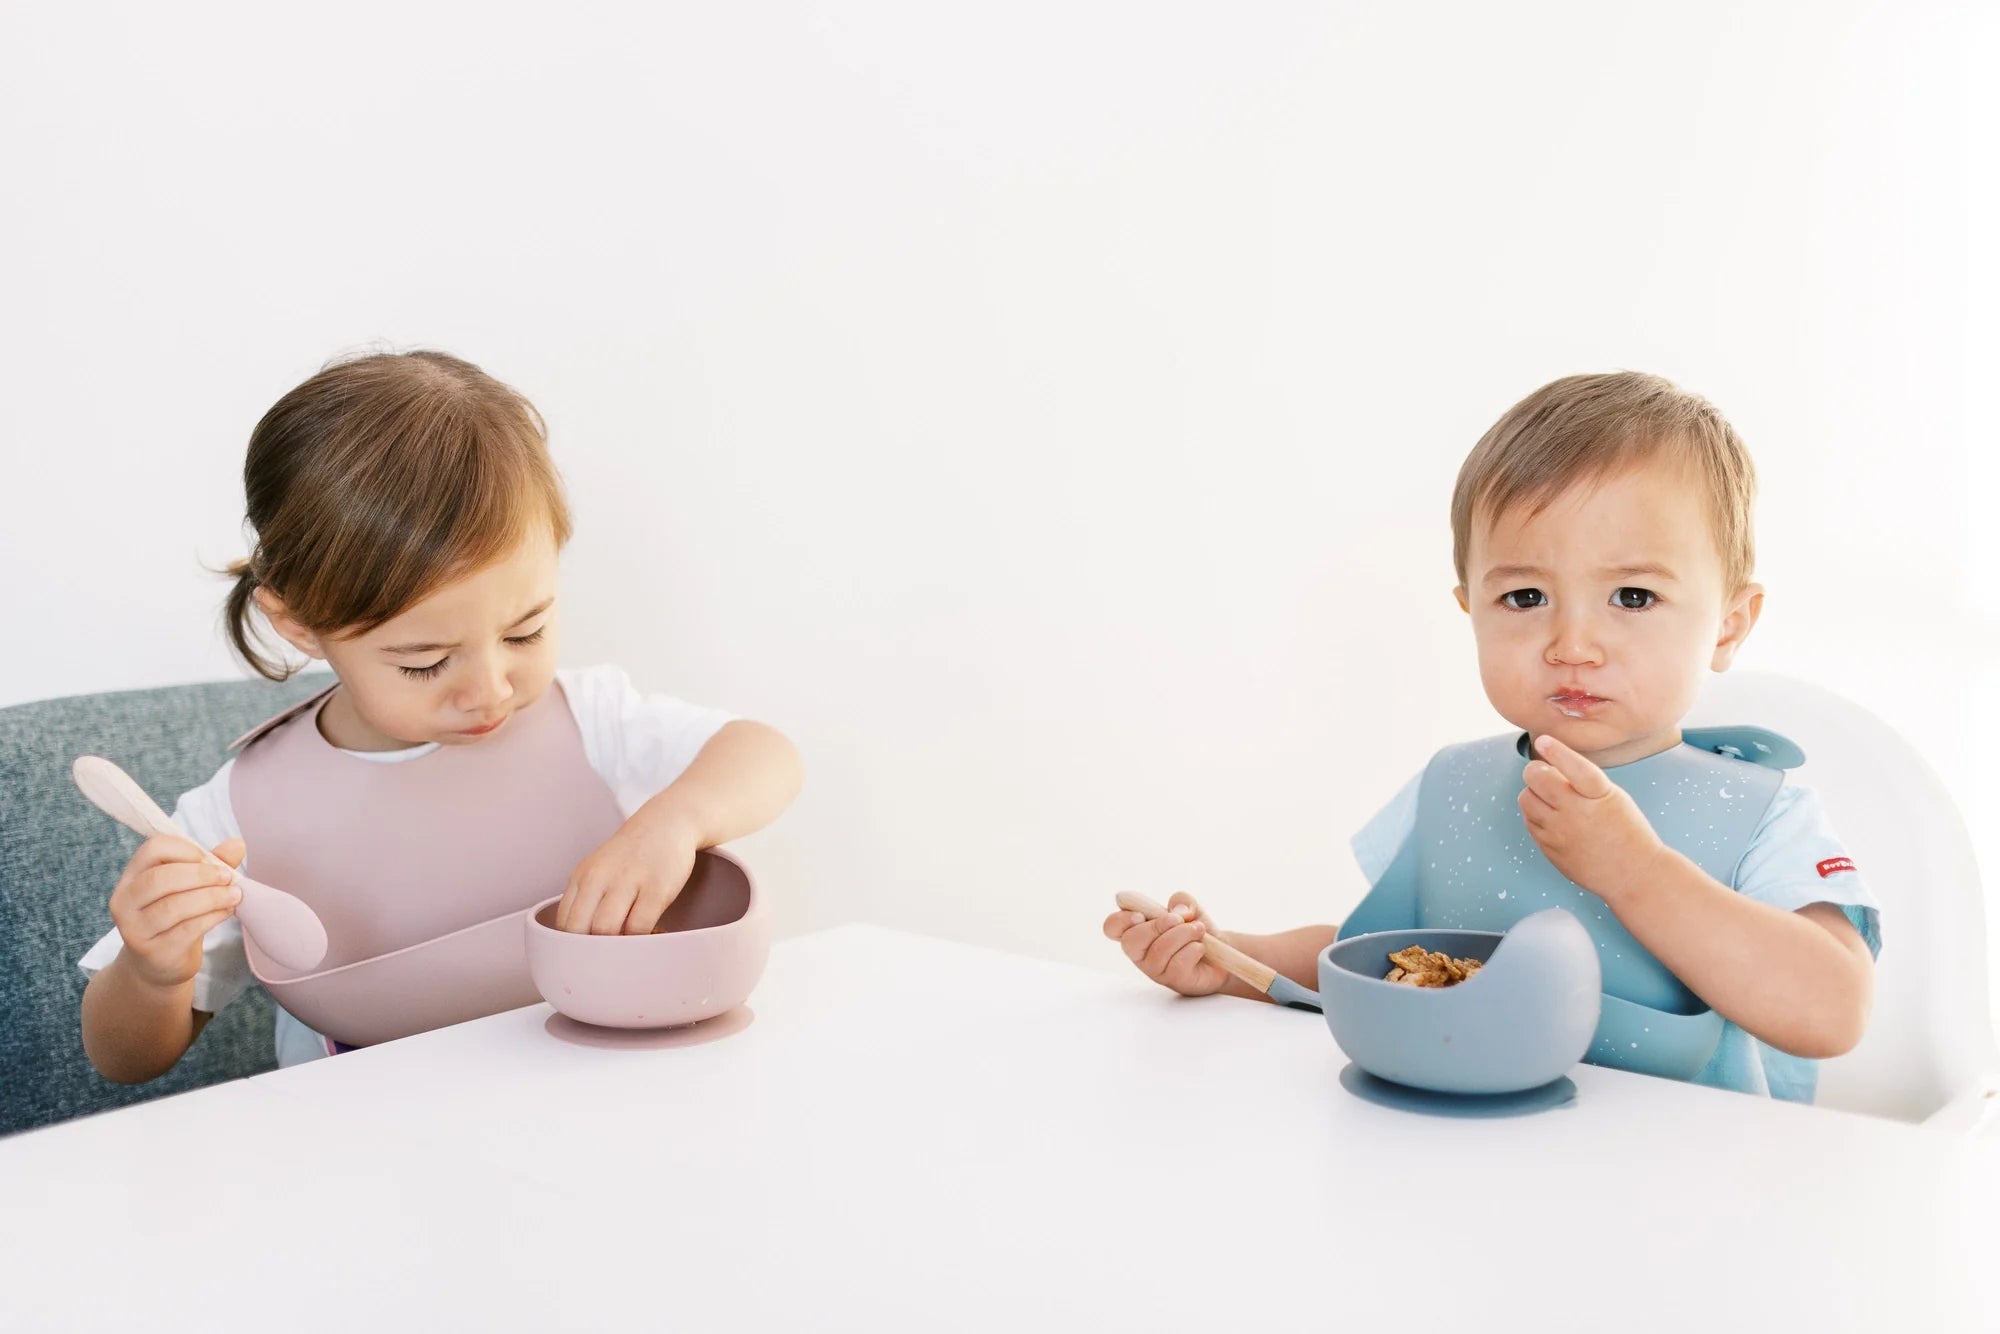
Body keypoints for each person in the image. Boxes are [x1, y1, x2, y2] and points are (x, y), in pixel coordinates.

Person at [1103, 371, 1879, 1101]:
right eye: (1527, 595)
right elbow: (1382, 958)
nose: (1573, 642)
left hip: (1676, 1201)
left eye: (1633, 596)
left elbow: (1832, 1011)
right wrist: (1231, 961)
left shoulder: (1763, 814)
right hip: (1463, 1176)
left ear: (1729, 625)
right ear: (1470, 607)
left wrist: (1636, 871)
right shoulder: (1452, 787)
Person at [80, 350, 803, 1079]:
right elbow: (125, 1060)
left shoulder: (593, 721)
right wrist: (151, 974)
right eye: (426, 662)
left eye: (525, 632)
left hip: (598, 1108)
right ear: (299, 623)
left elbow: (766, 754)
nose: (489, 689)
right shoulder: (236, 820)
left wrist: (675, 820)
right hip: (375, 1160)